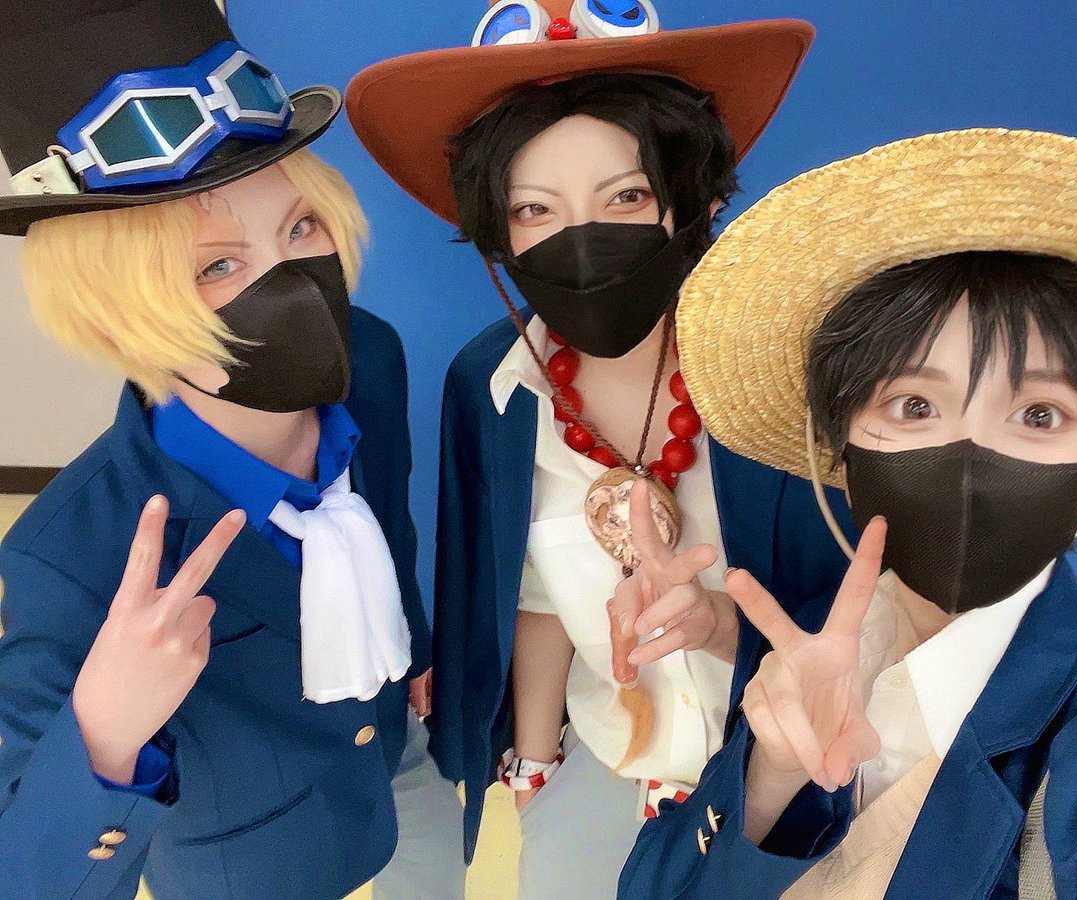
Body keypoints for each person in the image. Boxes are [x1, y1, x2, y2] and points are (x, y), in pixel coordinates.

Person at [345, 3, 853, 896]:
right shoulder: (494, 388)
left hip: (804, 766)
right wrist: (534, 764)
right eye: (534, 209)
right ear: (499, 233)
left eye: (627, 197)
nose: (581, 238)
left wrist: (719, 625)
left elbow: (868, 592)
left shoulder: (793, 368)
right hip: (607, 767)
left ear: (695, 199)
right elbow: (531, 592)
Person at [619, 128, 1077, 898]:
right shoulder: (810, 645)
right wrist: (769, 780)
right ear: (839, 446)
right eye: (915, 405)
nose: (971, 459)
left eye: (1039, 415)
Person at [0, 2, 463, 897]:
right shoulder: (69, 555)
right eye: (217, 266)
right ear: (118, 314)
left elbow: (385, 515)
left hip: (398, 760)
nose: (293, 280)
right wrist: (104, 735)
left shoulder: (367, 358)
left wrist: (415, 638)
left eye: (300, 228)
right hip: (255, 864)